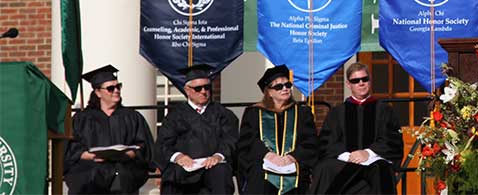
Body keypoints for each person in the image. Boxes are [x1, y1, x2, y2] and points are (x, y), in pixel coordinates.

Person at [310, 63, 404, 194]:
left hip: (373, 162)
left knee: (381, 170)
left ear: (369, 81)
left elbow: (392, 140)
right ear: (349, 84)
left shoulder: (384, 110)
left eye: (364, 79)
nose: (361, 83)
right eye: (355, 81)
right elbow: (327, 142)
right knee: (325, 169)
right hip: (345, 160)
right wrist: (348, 156)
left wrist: (368, 153)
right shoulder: (337, 112)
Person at [64, 64, 155, 194]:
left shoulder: (132, 117)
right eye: (110, 88)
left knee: (122, 176)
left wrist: (129, 154)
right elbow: (70, 149)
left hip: (124, 172)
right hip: (90, 173)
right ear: (98, 92)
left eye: (118, 86)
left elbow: (144, 146)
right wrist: (90, 156)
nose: (116, 90)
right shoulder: (82, 119)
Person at [156, 63, 239, 194]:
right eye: (198, 88)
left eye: (207, 87)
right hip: (185, 168)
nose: (203, 91)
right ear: (187, 90)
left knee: (221, 172)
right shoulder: (175, 116)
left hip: (213, 167)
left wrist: (218, 156)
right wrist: (178, 157)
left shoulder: (223, 114)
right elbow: (164, 144)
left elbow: (230, 140)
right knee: (173, 176)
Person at [236, 65, 318, 195]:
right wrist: (268, 155)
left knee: (300, 176)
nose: (285, 88)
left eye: (287, 85)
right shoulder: (254, 113)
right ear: (269, 92)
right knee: (258, 174)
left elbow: (310, 141)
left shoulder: (302, 113)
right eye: (279, 86)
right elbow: (248, 142)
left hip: (294, 164)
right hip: (264, 165)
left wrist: (292, 157)